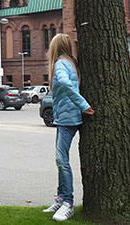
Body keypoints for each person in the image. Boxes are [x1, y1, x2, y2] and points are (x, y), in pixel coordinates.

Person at [42, 34, 94, 222]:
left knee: (61, 159)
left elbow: (64, 83)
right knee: (61, 159)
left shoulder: (60, 64)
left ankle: (68, 203)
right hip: (67, 116)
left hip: (68, 118)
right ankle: (61, 198)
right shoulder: (72, 62)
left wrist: (82, 105)